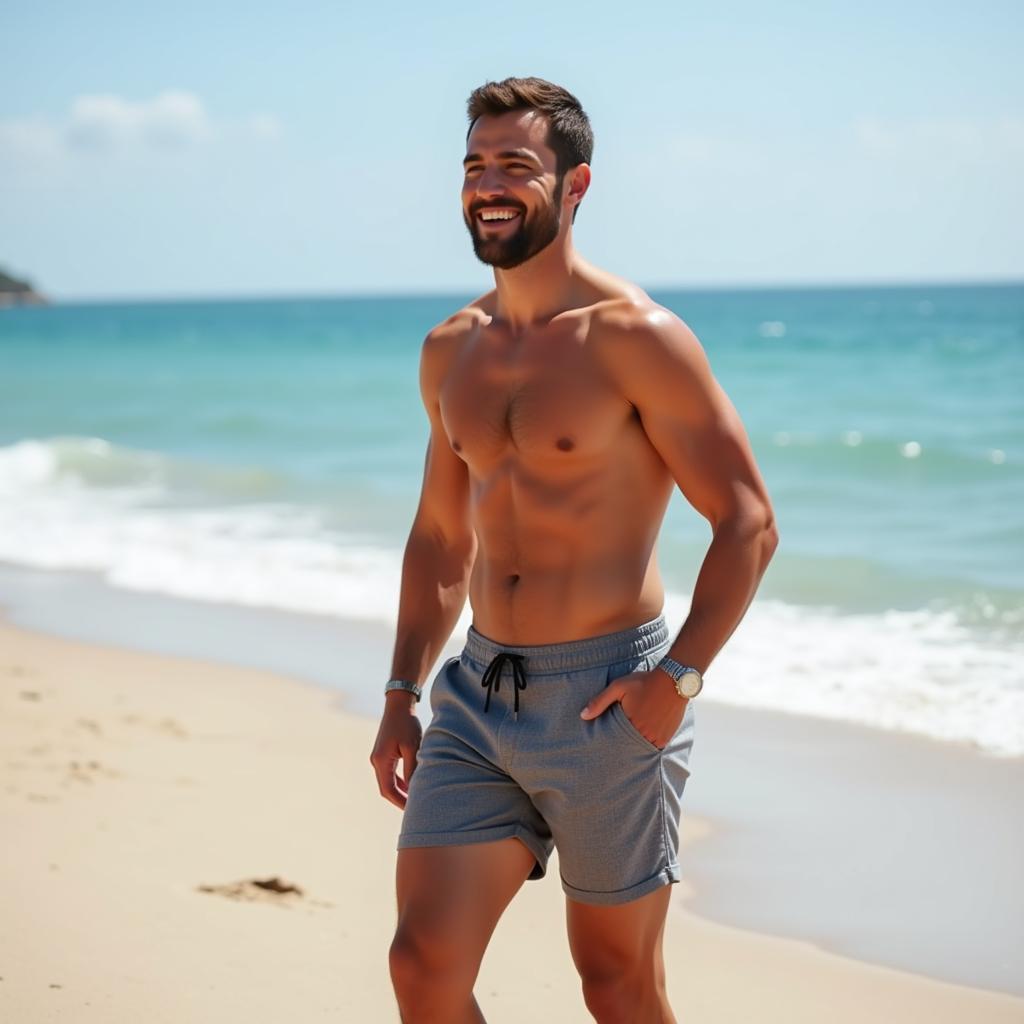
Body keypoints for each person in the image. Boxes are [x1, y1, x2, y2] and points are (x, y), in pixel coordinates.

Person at [370, 75, 779, 1023]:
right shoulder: (451, 348)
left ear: (576, 183)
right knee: (422, 970)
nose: (489, 184)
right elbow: (439, 537)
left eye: (517, 164)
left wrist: (675, 678)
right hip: (476, 694)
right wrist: (399, 691)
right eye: (475, 165)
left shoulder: (636, 337)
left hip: (610, 698)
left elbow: (748, 520)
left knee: (617, 986)